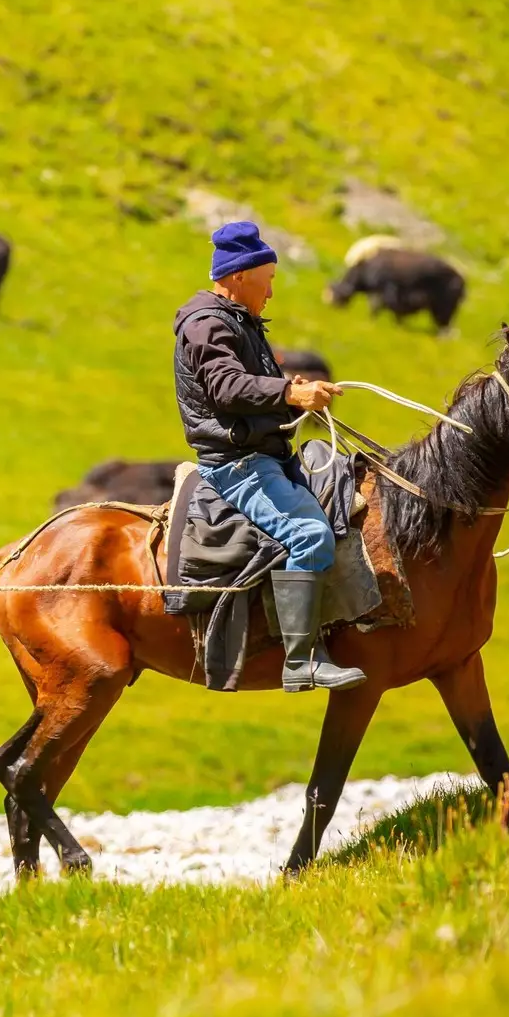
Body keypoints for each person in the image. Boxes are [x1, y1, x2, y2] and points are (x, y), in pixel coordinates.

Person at [172, 221, 366, 692]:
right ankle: (300, 663)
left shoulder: (237, 320)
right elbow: (226, 387)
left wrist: (293, 389)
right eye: (270, 279)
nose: (272, 292)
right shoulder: (207, 324)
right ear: (240, 276)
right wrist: (291, 394)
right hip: (237, 465)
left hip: (267, 456)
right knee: (308, 533)